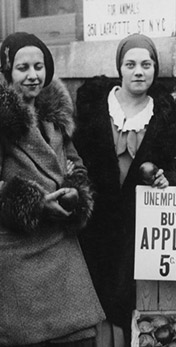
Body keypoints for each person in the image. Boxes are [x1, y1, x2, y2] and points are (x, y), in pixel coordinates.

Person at [73, 33, 176, 346]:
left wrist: (161, 180)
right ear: (119, 68)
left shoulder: (162, 115)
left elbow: (166, 164)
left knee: (125, 291)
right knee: (95, 289)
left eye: (146, 64)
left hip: (134, 220)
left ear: (154, 69)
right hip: (96, 218)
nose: (138, 71)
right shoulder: (96, 106)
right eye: (130, 64)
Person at [0, 32, 104, 346]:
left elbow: (76, 164)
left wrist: (75, 192)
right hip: (17, 250)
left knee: (79, 336)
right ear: (7, 73)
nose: (32, 75)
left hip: (61, 244)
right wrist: (35, 203)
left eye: (39, 66)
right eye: (22, 68)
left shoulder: (56, 117)